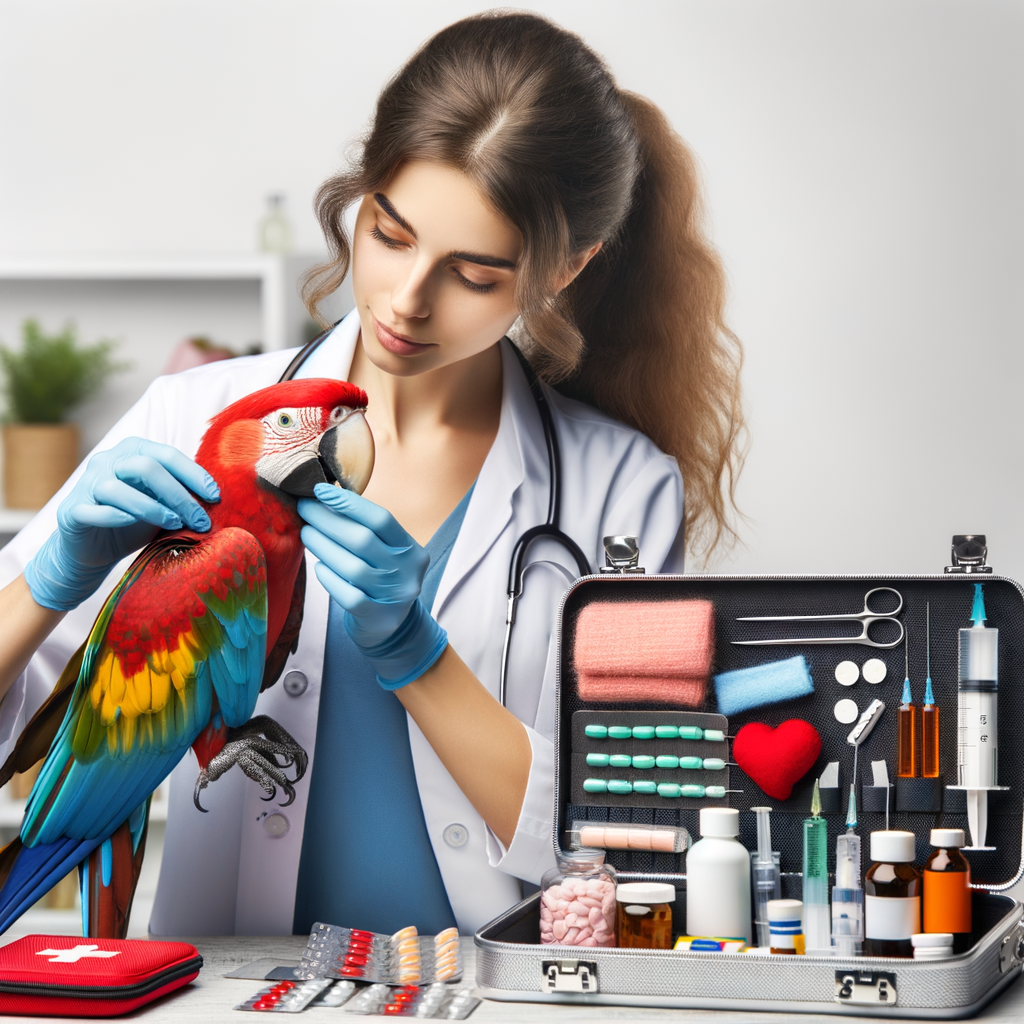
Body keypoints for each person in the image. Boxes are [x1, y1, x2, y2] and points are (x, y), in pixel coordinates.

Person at [0, 11, 743, 937]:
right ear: (361, 193)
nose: (406, 299)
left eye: (473, 274)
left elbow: (629, 843)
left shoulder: (618, 488)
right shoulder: (187, 419)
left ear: (566, 269)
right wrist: (51, 578)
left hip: (480, 992)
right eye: (390, 234)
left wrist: (417, 658)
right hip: (230, 991)